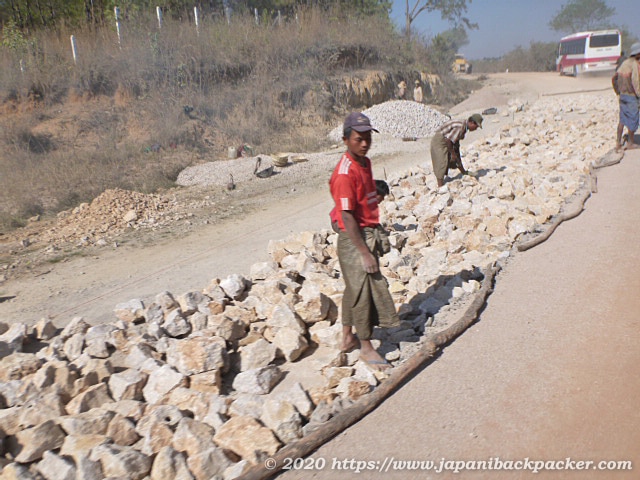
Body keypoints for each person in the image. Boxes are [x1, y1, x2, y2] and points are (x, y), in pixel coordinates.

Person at [329, 112, 399, 370]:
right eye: (359, 139)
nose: (364, 143)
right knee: (364, 291)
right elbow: (347, 216)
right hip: (352, 234)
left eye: (368, 138)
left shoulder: (365, 163)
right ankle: (366, 347)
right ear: (345, 139)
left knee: (353, 285)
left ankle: (348, 336)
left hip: (364, 228)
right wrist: (364, 252)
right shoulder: (344, 173)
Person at [430, 113, 483, 187]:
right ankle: (440, 186)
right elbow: (448, 141)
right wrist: (453, 154)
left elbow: (455, 144)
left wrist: (463, 170)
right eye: (476, 126)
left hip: (446, 140)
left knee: (453, 158)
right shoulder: (460, 126)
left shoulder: (464, 127)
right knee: (441, 161)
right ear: (471, 122)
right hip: (440, 140)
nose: (476, 129)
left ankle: (462, 172)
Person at [612, 42, 640, 151]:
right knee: (633, 120)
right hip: (631, 96)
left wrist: (617, 92)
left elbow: (614, 78)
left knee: (622, 120)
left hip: (622, 96)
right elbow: (636, 82)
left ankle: (618, 143)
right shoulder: (634, 65)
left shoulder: (624, 63)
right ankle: (631, 143)